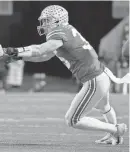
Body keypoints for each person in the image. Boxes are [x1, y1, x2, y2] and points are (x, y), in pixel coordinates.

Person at [0, 5, 129, 145]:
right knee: (105, 107)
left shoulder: (59, 32)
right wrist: (17, 56)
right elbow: (44, 56)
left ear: (57, 21)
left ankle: (115, 129)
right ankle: (114, 136)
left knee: (73, 119)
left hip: (94, 79)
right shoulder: (66, 31)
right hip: (100, 75)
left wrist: (11, 50)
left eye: (47, 20)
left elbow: (40, 50)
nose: (43, 24)